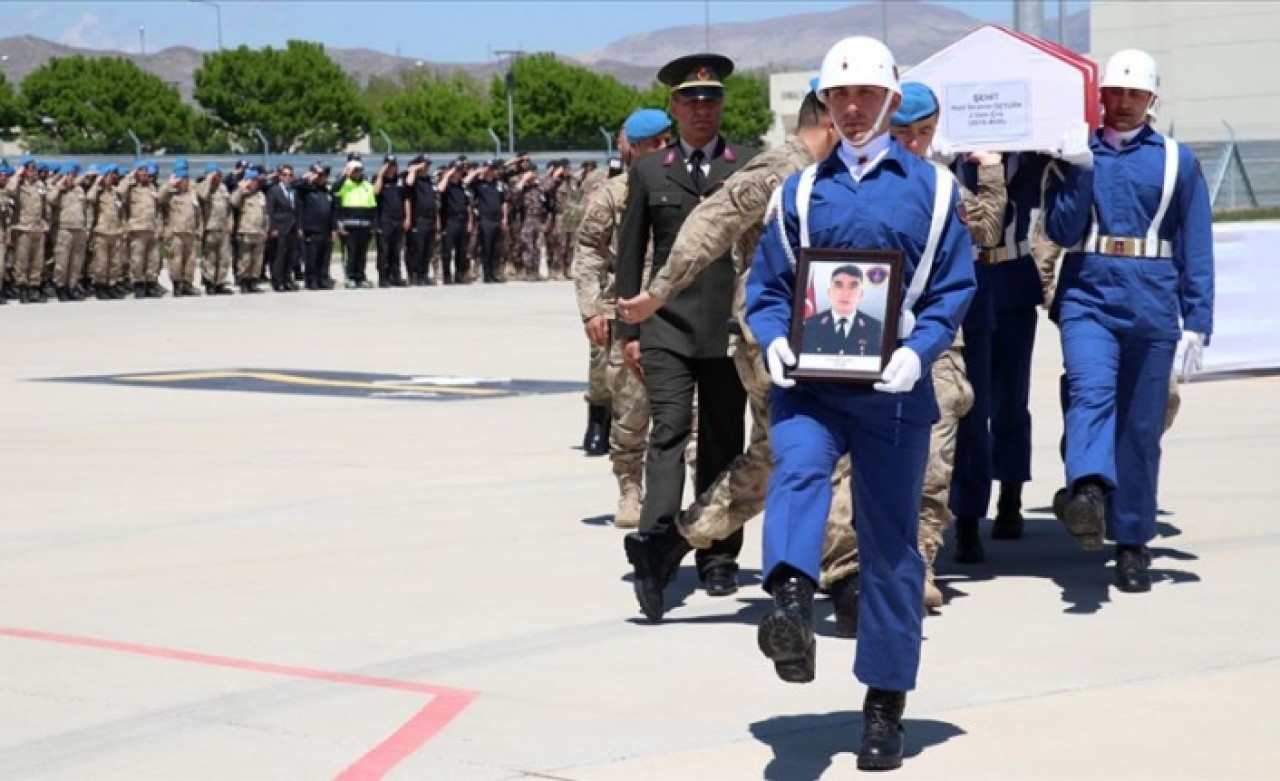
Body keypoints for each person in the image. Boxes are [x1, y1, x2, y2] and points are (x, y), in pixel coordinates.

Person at [745, 37, 975, 771]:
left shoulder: (935, 191)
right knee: (799, 471)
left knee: (890, 549)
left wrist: (921, 349)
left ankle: (884, 702)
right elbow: (769, 285)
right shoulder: (800, 192)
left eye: (864, 95)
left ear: (890, 97)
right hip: (812, 385)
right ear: (824, 103)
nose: (850, 108)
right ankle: (787, 599)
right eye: (837, 97)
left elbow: (951, 287)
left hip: (893, 393)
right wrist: (772, 337)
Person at [1042, 49, 1213, 592]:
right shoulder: (1072, 155)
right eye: (1113, 93)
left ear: (1151, 100)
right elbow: (1064, 232)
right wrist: (1077, 171)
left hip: (1152, 301)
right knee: (1091, 392)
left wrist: (1197, 320)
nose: (1120, 103)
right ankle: (1089, 489)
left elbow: (1196, 244)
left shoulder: (1176, 163)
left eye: (1133, 95)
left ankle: (1133, 543)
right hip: (1088, 292)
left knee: (1141, 430)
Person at [615, 53, 751, 616]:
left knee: (723, 440)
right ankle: (654, 550)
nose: (702, 109)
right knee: (667, 432)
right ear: (674, 108)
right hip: (665, 326)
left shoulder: (748, 166)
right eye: (692, 101)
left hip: (726, 328)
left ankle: (717, 554)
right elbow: (630, 256)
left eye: (711, 100)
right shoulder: (650, 172)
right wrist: (628, 328)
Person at [889, 80, 1005, 607]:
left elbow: (985, 230)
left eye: (924, 133)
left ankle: (922, 563)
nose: (913, 143)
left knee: (936, 458)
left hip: (933, 342)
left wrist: (991, 171)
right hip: (865, 341)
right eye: (903, 133)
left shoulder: (940, 186)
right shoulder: (856, 181)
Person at [573, 111, 670, 526]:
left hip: (676, 314)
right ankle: (630, 490)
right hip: (626, 315)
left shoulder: (682, 188)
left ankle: (682, 498)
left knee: (693, 416)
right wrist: (592, 308)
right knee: (630, 413)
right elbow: (588, 251)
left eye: (669, 142)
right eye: (655, 144)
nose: (664, 151)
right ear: (634, 148)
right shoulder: (612, 195)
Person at [801, 264, 884, 356]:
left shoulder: (873, 326)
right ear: (829, 292)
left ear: (861, 294)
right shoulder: (811, 324)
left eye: (853, 286)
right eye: (838, 285)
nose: (845, 293)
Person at [158, 162, 205, 297]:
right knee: (176, 260)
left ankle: (188, 284)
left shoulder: (191, 193)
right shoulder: (169, 193)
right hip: (175, 232)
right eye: (181, 180)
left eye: (185, 180)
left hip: (190, 232)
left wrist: (199, 228)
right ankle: (177, 285)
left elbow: (198, 213)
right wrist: (170, 185)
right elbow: (159, 199)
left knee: (191, 260)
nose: (184, 183)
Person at [332, 158, 377, 289]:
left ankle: (360, 276)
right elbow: (334, 190)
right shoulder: (344, 184)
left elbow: (373, 206)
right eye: (355, 170)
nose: (358, 173)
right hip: (349, 226)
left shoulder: (367, 185)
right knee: (351, 253)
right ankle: (350, 277)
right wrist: (345, 175)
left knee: (362, 254)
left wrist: (373, 225)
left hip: (365, 225)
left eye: (360, 170)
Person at [296, 162, 339, 290]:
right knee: (311, 257)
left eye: (324, 175)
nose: (322, 178)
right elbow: (295, 185)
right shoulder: (305, 190)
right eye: (320, 175)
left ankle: (323, 279)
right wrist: (308, 178)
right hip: (311, 229)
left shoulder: (327, 191)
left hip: (326, 229)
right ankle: (311, 280)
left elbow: (333, 211)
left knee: (325, 257)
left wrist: (334, 228)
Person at [87, 165, 127, 300]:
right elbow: (89, 198)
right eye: (110, 175)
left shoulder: (115, 193)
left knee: (115, 262)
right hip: (102, 231)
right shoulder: (98, 192)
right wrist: (98, 183)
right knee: (101, 262)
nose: (113, 177)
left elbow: (121, 212)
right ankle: (100, 286)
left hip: (116, 231)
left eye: (114, 175)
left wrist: (123, 228)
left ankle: (112, 285)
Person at [197, 163, 236, 295]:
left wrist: (230, 224)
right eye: (213, 175)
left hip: (223, 228)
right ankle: (210, 283)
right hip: (210, 227)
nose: (216, 178)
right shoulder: (203, 187)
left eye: (218, 175)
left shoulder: (223, 188)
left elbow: (229, 208)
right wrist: (208, 181)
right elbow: (202, 196)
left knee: (224, 258)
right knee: (210, 258)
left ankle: (220, 283)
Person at [230, 169, 268, 293]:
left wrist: (266, 228)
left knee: (257, 260)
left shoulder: (260, 195)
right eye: (251, 180)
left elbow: (265, 214)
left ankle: (253, 281)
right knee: (245, 259)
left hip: (259, 232)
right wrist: (241, 188)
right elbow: (232, 202)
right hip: (246, 231)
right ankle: (244, 282)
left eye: (255, 181)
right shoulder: (242, 194)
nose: (254, 183)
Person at [470, 160, 508, 283]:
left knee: (496, 248)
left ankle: (494, 273)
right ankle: (486, 274)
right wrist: (479, 171)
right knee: (487, 247)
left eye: (493, 169)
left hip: (497, 219)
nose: (492, 171)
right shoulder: (479, 184)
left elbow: (504, 202)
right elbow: (466, 182)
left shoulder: (499, 185)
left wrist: (504, 218)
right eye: (490, 168)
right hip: (485, 220)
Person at [265, 164, 301, 292]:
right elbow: (270, 210)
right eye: (285, 175)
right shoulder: (274, 191)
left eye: (290, 175)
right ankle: (277, 281)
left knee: (290, 255)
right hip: (280, 227)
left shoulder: (293, 191)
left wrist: (299, 227)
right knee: (279, 256)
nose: (288, 177)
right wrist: (273, 228)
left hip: (292, 227)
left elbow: (297, 211)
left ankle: (287, 279)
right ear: (280, 176)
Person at [374, 154, 408, 287]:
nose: (391, 168)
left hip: (398, 219)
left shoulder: (399, 181)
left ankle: (396, 276)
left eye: (393, 165)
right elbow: (375, 192)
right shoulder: (379, 180)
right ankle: (383, 278)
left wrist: (407, 217)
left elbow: (405, 199)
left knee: (396, 250)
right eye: (389, 165)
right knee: (384, 250)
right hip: (384, 219)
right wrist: (380, 175)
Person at [404, 155, 438, 286]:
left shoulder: (428, 180)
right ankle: (414, 275)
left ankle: (423, 274)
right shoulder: (412, 178)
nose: (426, 167)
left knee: (428, 249)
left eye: (428, 165)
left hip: (430, 218)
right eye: (424, 165)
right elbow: (408, 183)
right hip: (418, 219)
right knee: (416, 248)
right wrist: (414, 169)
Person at [438, 161, 472, 284]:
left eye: (459, 171)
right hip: (450, 221)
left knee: (462, 250)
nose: (458, 173)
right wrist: (448, 174)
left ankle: (459, 274)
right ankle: (447, 276)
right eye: (456, 170)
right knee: (447, 250)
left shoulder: (462, 186)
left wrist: (469, 222)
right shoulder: (447, 185)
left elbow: (468, 205)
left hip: (462, 220)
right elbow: (439, 189)